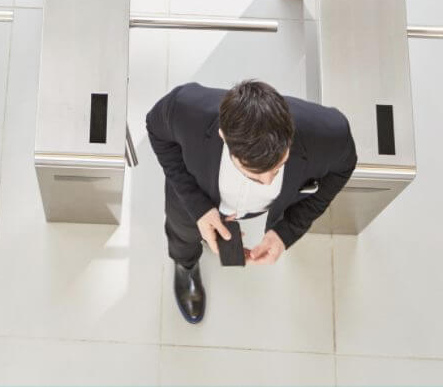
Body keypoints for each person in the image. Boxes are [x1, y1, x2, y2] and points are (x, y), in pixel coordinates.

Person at [145, 80, 358, 325]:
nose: (268, 182)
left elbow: (343, 168)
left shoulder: (330, 133)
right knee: (182, 234)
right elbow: (156, 129)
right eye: (253, 174)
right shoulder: (185, 108)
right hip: (193, 196)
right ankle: (186, 265)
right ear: (223, 136)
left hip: (253, 210)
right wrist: (198, 207)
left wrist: (286, 232)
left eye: (279, 166)